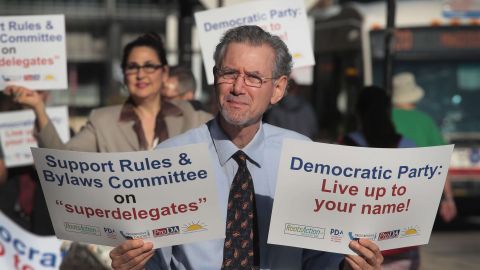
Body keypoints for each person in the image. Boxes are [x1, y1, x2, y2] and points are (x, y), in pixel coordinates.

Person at [109, 25, 383, 270]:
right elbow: (156, 260)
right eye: (229, 73)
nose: (238, 87)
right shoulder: (170, 158)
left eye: (253, 77)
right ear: (215, 77)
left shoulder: (301, 156)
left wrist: (351, 267)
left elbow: (317, 259)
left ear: (278, 89)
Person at [5, 32, 212, 268]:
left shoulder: (194, 117)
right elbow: (61, 162)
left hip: (182, 249)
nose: (140, 74)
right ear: (124, 74)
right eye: (132, 67)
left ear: (164, 72)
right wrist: (38, 109)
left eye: (149, 66)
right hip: (123, 253)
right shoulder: (102, 120)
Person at [340, 86, 418, 270]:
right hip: (402, 245)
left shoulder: (345, 145)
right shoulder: (408, 145)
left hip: (359, 249)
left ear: (357, 112)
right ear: (389, 111)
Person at [391, 72, 456, 223]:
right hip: (417, 195)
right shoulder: (425, 122)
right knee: (410, 236)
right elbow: (442, 162)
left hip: (385, 195)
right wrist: (448, 198)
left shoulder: (382, 119)